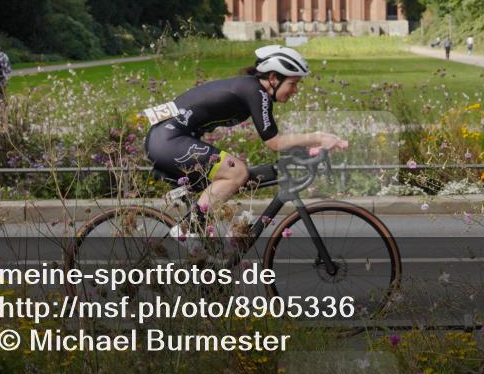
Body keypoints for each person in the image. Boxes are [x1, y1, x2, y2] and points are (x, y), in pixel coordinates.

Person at [143, 45, 348, 241]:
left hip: (168, 139)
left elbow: (276, 139)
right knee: (237, 172)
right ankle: (188, 230)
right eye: (293, 84)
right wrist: (319, 136)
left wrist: (306, 148)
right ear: (274, 78)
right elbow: (274, 142)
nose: (295, 90)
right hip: (168, 140)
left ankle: (200, 246)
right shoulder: (256, 92)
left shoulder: (251, 89)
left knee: (238, 176)